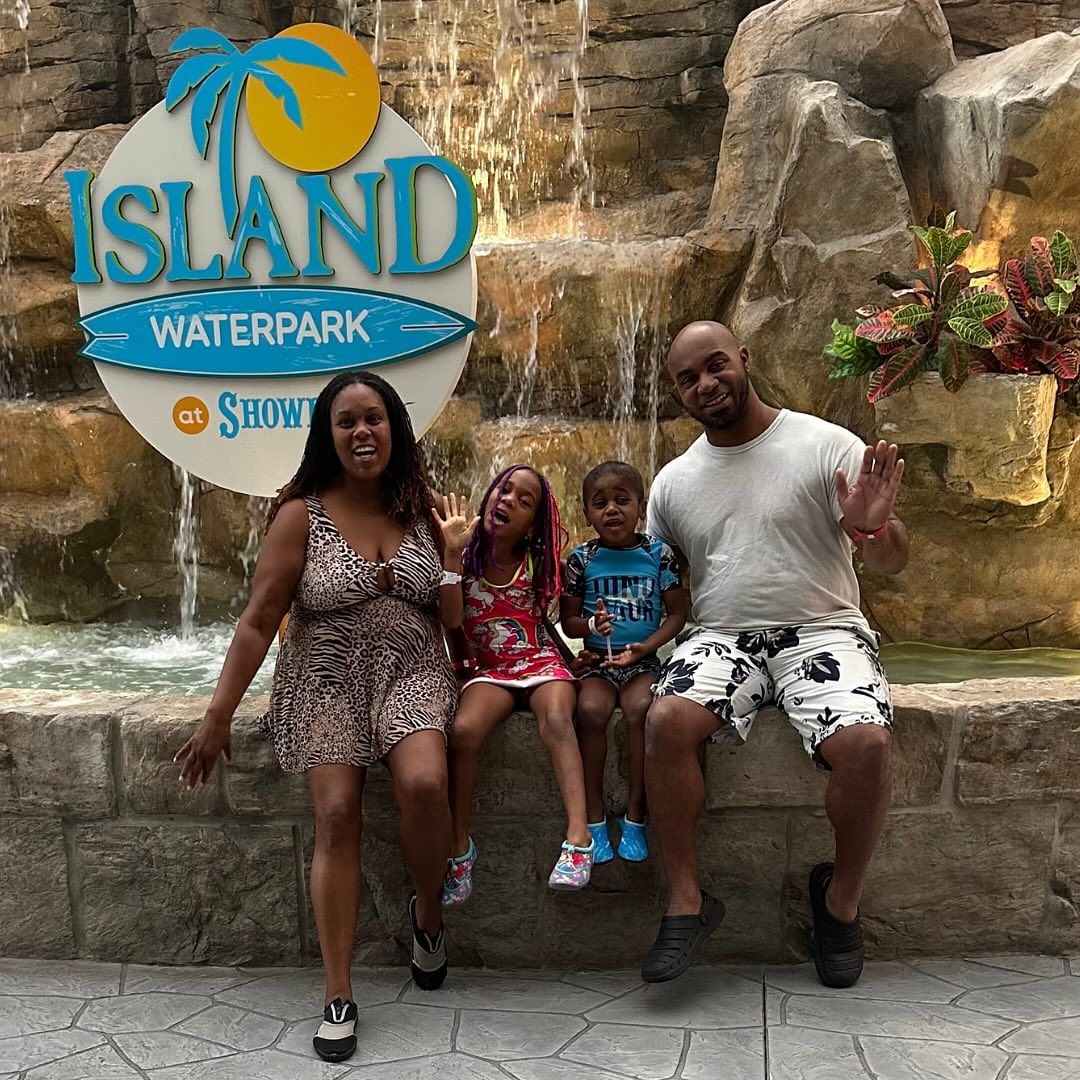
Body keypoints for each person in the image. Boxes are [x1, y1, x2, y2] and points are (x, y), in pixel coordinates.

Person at [174, 371, 476, 1064]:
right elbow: (258, 621)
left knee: (426, 785)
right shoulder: (299, 514)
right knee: (337, 813)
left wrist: (456, 557)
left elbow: (452, 614)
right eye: (347, 421)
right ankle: (339, 993)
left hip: (413, 670)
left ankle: (427, 914)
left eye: (374, 418)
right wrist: (218, 714)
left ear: (394, 428)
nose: (362, 431)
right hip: (325, 677)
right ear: (327, 434)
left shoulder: (424, 509)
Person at [640, 321, 909, 987]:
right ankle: (686, 902)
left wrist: (874, 526)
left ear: (744, 359)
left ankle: (838, 902)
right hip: (722, 637)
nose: (706, 384)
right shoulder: (672, 484)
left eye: (715, 365)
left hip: (823, 633)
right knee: (664, 720)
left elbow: (895, 561)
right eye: (688, 378)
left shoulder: (823, 445)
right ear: (678, 394)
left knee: (868, 747)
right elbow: (659, 589)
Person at [440, 463, 595, 905]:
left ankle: (578, 838)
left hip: (539, 661)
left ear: (533, 524)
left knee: (557, 718)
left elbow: (544, 622)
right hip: (490, 670)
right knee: (465, 732)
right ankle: (459, 847)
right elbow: (451, 618)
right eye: (504, 490)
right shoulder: (463, 555)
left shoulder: (535, 563)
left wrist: (571, 662)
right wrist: (451, 556)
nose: (508, 500)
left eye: (524, 501)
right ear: (488, 495)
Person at [560, 461, 687, 863]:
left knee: (640, 710)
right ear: (586, 513)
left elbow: (678, 614)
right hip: (599, 659)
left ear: (641, 506)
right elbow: (568, 621)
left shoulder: (658, 554)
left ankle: (635, 817)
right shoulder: (581, 560)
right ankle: (595, 819)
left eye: (622, 500)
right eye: (600, 503)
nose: (612, 510)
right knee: (591, 710)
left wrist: (647, 647)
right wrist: (590, 624)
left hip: (642, 661)